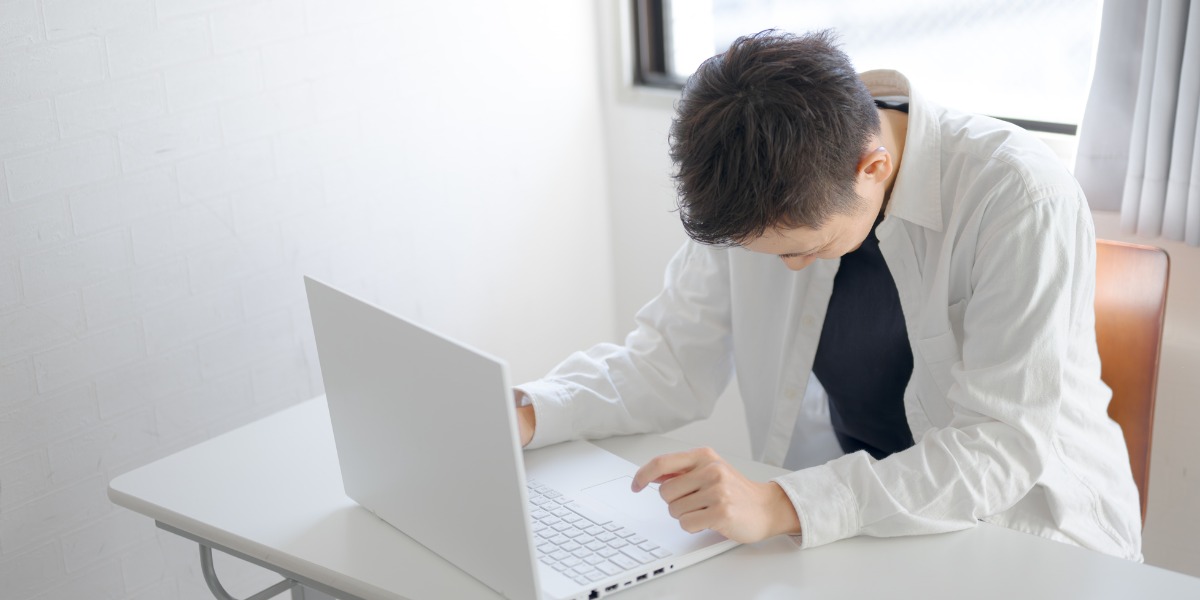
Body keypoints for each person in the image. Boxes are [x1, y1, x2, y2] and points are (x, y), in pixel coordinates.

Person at [513, 29, 1143, 560]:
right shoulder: (755, 183)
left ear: (873, 168)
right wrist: (529, 414)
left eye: (804, 249)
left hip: (1026, 537)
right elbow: (668, 363)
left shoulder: (1020, 198)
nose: (789, 270)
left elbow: (998, 449)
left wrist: (781, 503)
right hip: (860, 530)